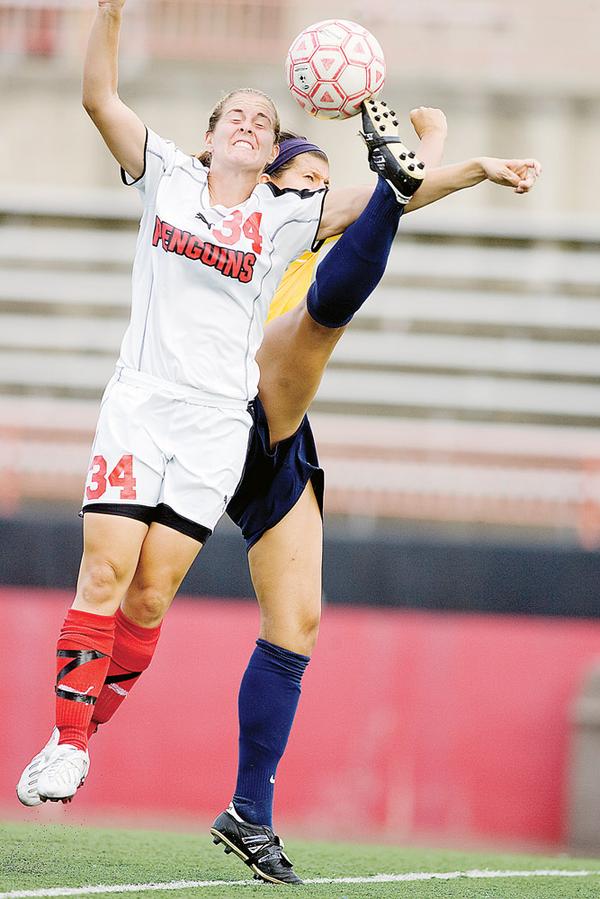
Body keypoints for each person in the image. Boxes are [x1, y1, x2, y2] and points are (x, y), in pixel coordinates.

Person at [15, 0, 428, 813]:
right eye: (234, 113)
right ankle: (67, 744)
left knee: (150, 594)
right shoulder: (166, 172)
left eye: (262, 119)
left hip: (214, 423)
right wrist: (108, 15)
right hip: (141, 403)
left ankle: (78, 733)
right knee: (105, 568)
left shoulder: (285, 214)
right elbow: (100, 95)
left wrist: (459, 166)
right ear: (209, 137)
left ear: (273, 150)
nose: (247, 121)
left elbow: (391, 199)